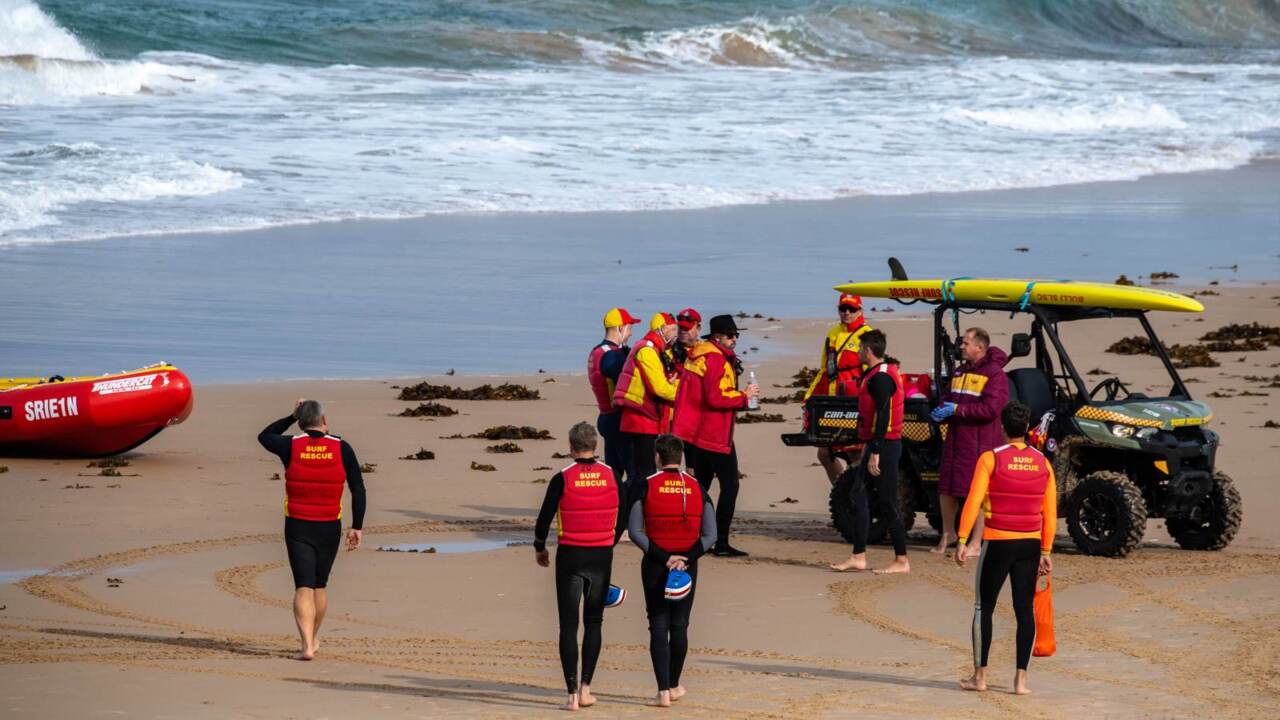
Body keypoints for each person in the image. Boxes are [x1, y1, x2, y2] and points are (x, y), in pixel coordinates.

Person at [956, 401, 1056, 696]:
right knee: (1024, 611)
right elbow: (1050, 512)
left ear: (1002, 427)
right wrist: (1047, 551)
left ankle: (980, 677)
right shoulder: (1043, 463)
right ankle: (1020, 682)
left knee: (982, 607)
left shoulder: (990, 458)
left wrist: (962, 539)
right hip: (1030, 543)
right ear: (1026, 429)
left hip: (998, 541)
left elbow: (973, 500)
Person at [257, 399, 366, 661]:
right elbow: (358, 488)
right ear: (324, 421)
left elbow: (264, 436)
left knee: (303, 587)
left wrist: (290, 416)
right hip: (329, 526)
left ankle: (307, 644)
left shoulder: (289, 446)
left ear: (302, 423)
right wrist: (357, 526)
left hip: (298, 525)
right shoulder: (342, 448)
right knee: (319, 586)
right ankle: (313, 638)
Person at [534, 422, 626, 711]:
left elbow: (544, 517)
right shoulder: (611, 475)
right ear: (594, 446)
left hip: (571, 555)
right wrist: (610, 541)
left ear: (571, 446)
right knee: (594, 622)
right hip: (601, 555)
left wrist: (539, 547)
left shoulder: (563, 477)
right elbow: (623, 512)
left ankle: (571, 695)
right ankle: (586, 689)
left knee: (569, 625)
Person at [627, 434, 717, 708]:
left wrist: (664, 558)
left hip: (656, 564)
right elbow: (710, 535)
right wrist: (684, 559)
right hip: (687, 566)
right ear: (681, 458)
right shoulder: (697, 487)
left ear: (657, 457)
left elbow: (635, 531)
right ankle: (675, 684)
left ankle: (663, 691)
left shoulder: (646, 485)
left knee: (658, 623)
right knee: (679, 625)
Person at [672, 314, 760, 557]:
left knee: (700, 488)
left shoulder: (699, 354)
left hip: (698, 433)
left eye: (736, 335)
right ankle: (720, 541)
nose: (734, 340)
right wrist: (744, 396)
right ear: (718, 337)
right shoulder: (715, 358)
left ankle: (695, 537)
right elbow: (716, 397)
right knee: (730, 486)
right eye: (731, 335)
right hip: (713, 434)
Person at [830, 329, 910, 574]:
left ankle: (902, 560)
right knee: (859, 494)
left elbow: (884, 414)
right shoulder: (874, 374)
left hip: (884, 446)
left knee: (887, 501)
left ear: (869, 350)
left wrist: (874, 450)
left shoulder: (882, 377)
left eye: (860, 347)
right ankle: (858, 556)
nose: (857, 352)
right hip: (874, 445)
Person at [931, 327, 1009, 555]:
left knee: (976, 492)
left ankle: (976, 542)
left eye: (966, 343)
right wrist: (941, 411)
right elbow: (947, 398)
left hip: (979, 443)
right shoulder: (959, 372)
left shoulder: (995, 374)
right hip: (955, 440)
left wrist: (958, 410)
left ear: (980, 347)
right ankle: (948, 534)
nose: (961, 346)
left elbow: (991, 409)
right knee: (946, 488)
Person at [803, 293, 874, 485]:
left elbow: (872, 373)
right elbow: (825, 369)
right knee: (825, 453)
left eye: (851, 309)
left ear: (860, 310)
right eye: (843, 309)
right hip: (833, 400)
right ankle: (842, 491)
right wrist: (810, 396)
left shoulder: (867, 334)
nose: (847, 313)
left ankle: (859, 496)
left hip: (854, 402)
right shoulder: (832, 334)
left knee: (854, 453)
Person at [614, 313, 680, 487]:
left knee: (641, 472)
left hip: (643, 418)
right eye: (672, 329)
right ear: (662, 329)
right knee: (645, 473)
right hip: (640, 419)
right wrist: (685, 392)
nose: (675, 334)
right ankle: (635, 510)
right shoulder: (648, 351)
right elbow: (660, 388)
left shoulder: (654, 349)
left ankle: (633, 509)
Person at [589, 307, 641, 486]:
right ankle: (628, 509)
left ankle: (615, 507)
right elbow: (626, 387)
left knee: (614, 471)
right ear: (620, 328)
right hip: (618, 420)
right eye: (630, 328)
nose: (631, 333)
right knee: (634, 471)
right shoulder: (613, 356)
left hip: (605, 416)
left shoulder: (597, 351)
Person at [672, 307, 703, 470]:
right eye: (680, 328)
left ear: (698, 328)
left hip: (695, 418)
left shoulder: (705, 351)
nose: (682, 331)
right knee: (668, 463)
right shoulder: (669, 351)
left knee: (694, 465)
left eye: (687, 328)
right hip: (672, 417)